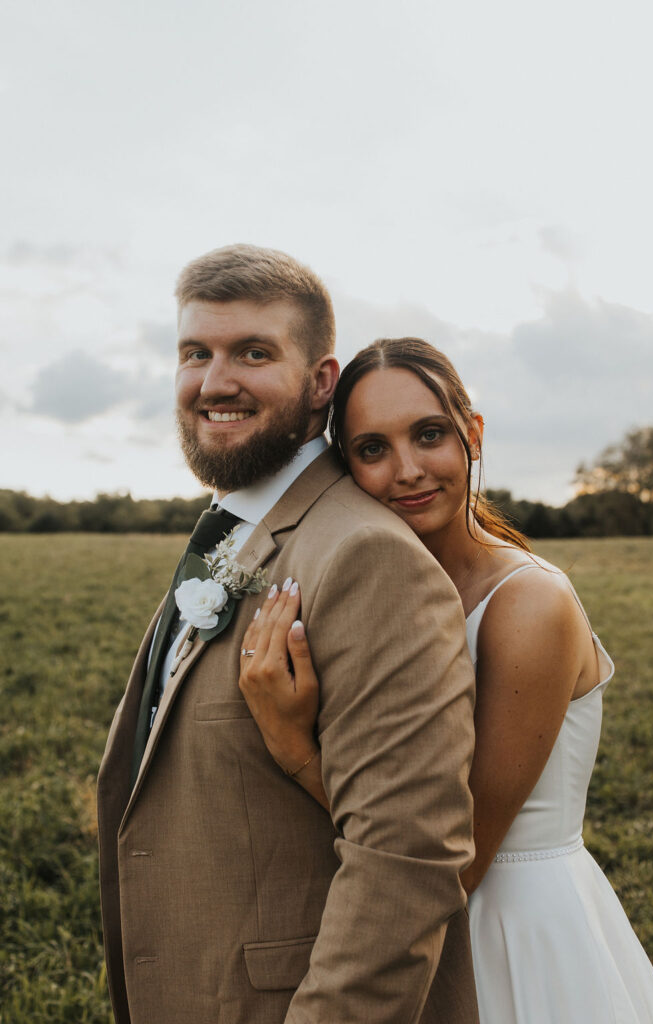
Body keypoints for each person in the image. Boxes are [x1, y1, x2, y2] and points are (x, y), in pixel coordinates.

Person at [238, 336, 653, 1024]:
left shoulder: (529, 604)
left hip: (507, 927)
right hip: (409, 920)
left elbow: (455, 854)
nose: (407, 469)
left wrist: (294, 747)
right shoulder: (383, 593)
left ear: (471, 434)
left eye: (429, 434)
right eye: (371, 449)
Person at [97, 248, 480, 1024]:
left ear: (320, 382)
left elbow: (403, 859)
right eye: (194, 353)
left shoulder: (362, 553)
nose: (214, 381)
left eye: (253, 352)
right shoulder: (239, 527)